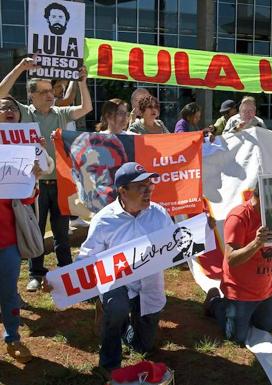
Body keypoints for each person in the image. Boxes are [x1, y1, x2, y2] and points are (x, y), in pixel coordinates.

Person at [66, 162, 171, 373]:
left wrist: (203, 233)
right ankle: (109, 364)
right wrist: (59, 282)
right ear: (123, 191)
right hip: (117, 283)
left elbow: (176, 246)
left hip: (149, 288)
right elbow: (86, 259)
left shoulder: (159, 214)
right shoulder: (104, 220)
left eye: (150, 184)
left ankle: (123, 325)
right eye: (141, 186)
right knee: (117, 309)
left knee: (143, 346)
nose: (148, 190)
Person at [0, 56, 93, 292]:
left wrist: (82, 82)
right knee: (36, 229)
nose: (49, 95)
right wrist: (20, 68)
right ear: (31, 95)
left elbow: (87, 108)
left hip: (61, 183)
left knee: (62, 232)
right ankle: (35, 273)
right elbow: (1, 93)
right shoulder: (23, 112)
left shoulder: (60, 113)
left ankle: (65, 272)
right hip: (33, 184)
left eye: (51, 90)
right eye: (42, 91)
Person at [204, 187, 272, 346]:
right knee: (236, 338)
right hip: (240, 291)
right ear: (258, 198)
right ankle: (215, 303)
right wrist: (257, 243)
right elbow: (231, 259)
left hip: (266, 289)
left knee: (268, 327)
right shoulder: (239, 216)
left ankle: (245, 314)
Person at [0, 162, 42, 364]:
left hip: (7, 244)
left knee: (8, 293)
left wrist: (32, 179)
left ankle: (13, 338)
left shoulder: (7, 166)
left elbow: (27, 198)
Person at [69, 132, 128, 213]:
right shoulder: (71, 209)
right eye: (94, 170)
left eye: (115, 170)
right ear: (76, 175)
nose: (108, 180)